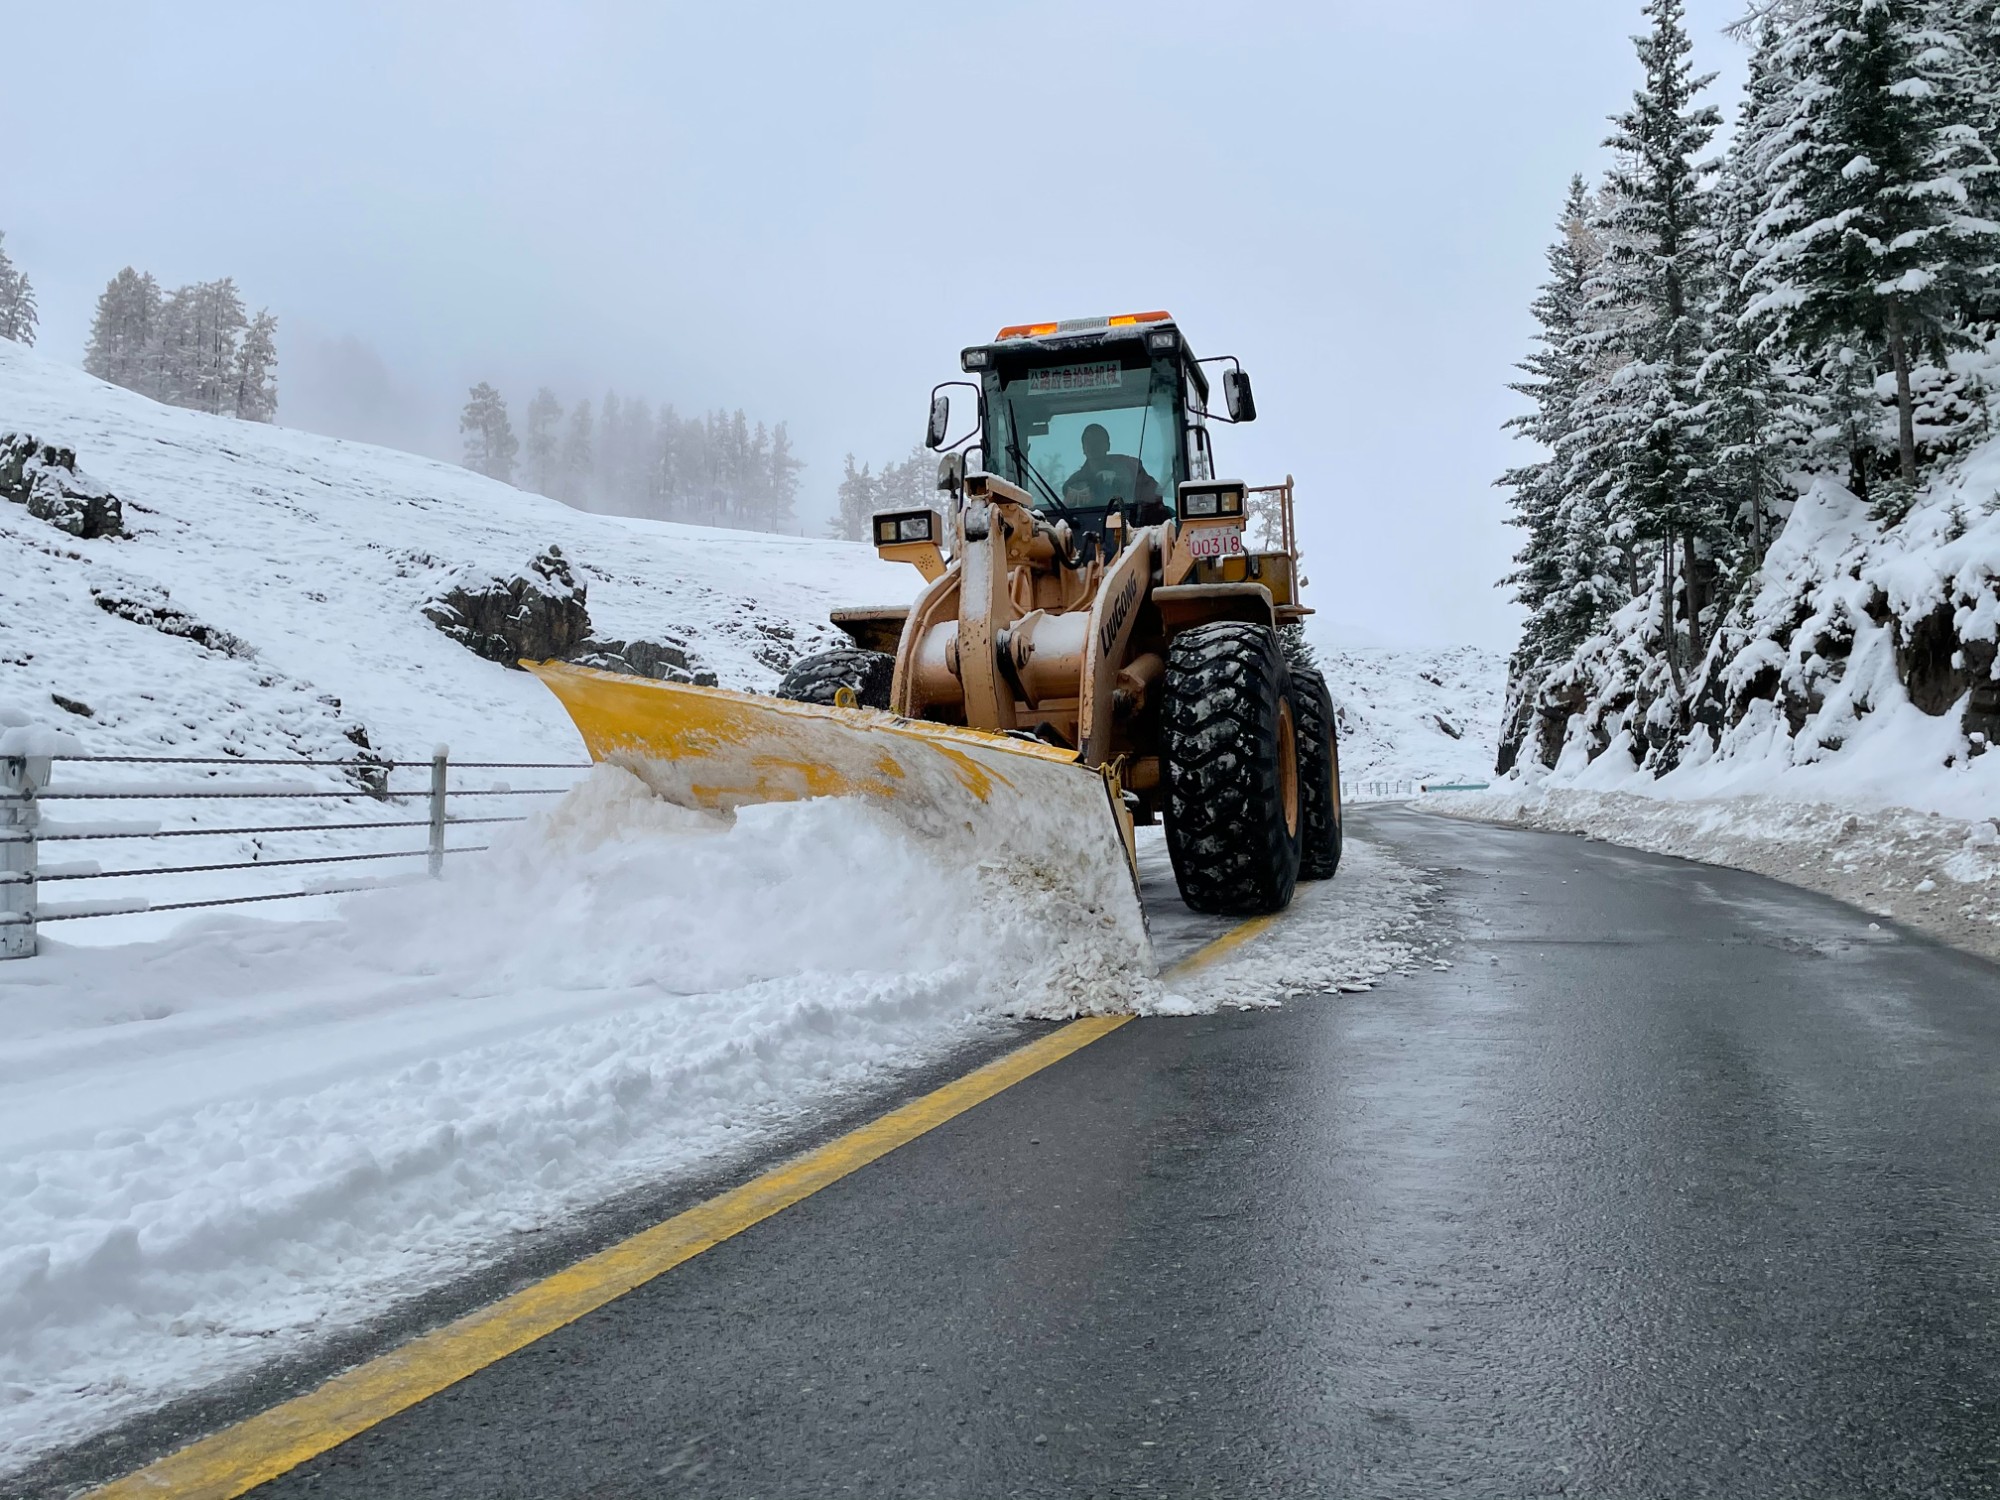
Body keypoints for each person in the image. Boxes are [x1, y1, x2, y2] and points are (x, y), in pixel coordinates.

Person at [1062, 422, 1165, 522]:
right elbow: (1064, 515)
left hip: (1129, 528)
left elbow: (1154, 496)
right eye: (1089, 442)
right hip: (1087, 530)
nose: (1093, 446)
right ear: (1083, 448)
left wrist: (1121, 485)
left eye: (1098, 441)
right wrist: (1074, 502)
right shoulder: (1074, 484)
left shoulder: (1131, 471)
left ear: (1108, 446)